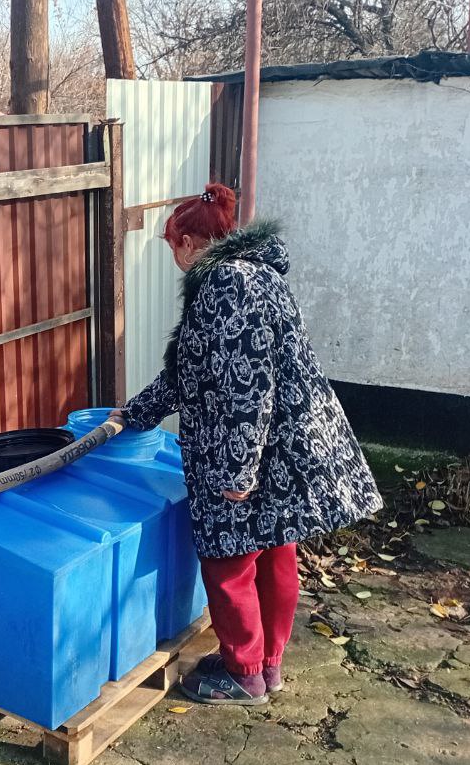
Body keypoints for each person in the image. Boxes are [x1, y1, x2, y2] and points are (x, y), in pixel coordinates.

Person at [111, 183, 381, 706]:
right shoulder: (255, 276)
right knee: (276, 547)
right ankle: (266, 663)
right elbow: (190, 372)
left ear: (189, 242)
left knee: (229, 558)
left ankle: (244, 672)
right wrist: (136, 414)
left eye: (173, 246)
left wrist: (236, 470)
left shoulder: (225, 285)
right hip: (278, 447)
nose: (175, 258)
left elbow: (244, 385)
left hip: (246, 450)